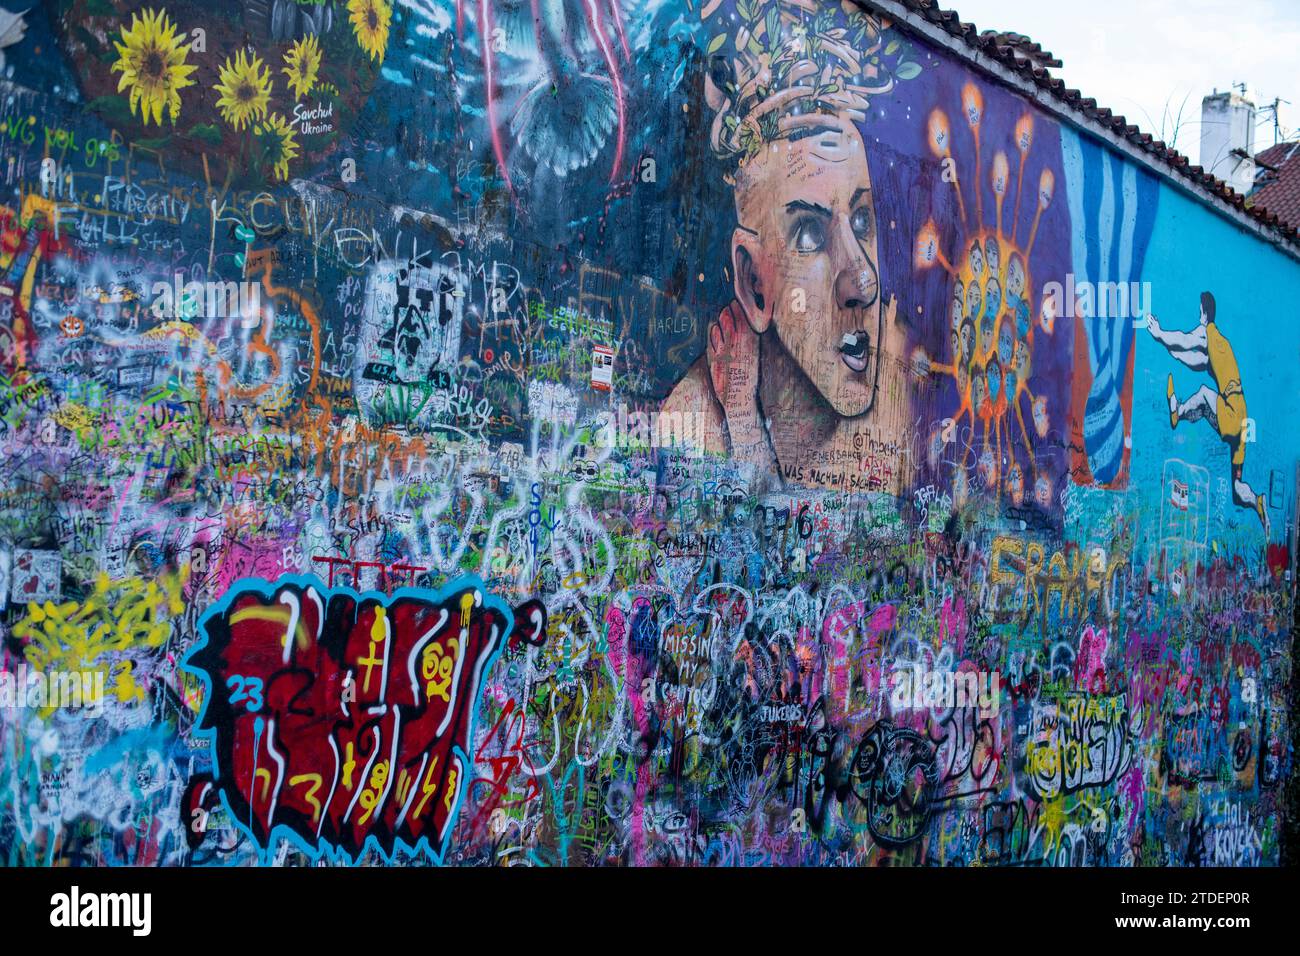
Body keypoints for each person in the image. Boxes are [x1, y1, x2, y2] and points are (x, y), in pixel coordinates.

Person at [661, 1, 915, 493]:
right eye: (809, 234)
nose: (863, 281)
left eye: (862, 220)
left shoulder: (903, 386)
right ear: (754, 284)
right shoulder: (689, 422)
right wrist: (739, 416)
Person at [1147, 291, 1269, 536]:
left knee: (1204, 394)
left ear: (1203, 312)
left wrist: (1159, 333)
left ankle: (1178, 412)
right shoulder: (1219, 345)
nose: (1197, 316)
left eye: (1198, 312)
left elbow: (1185, 340)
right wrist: (1169, 348)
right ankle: (1257, 502)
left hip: (1232, 411)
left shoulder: (1208, 333)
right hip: (1242, 419)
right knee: (1236, 488)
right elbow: (1193, 358)